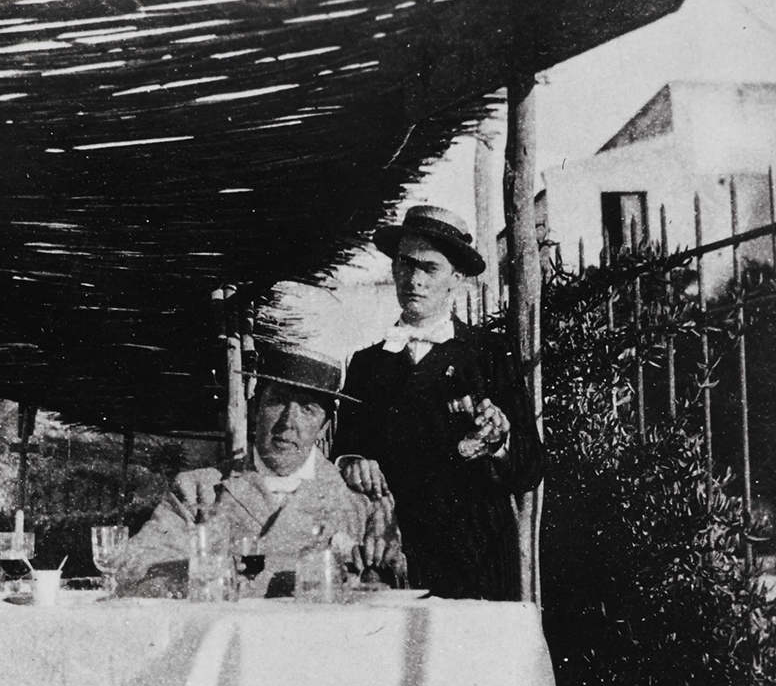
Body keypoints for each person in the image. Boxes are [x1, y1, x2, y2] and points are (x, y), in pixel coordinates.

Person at [333, 204, 544, 601]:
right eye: (405, 264)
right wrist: (353, 464)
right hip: (388, 554)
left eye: (429, 268)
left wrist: (499, 442)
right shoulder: (366, 364)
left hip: (474, 556)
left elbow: (530, 467)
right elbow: (344, 453)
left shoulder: (489, 354)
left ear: (457, 279)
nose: (413, 280)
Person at [119, 344, 403, 598]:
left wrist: (379, 572)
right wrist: (220, 571)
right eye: (277, 401)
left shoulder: (359, 500)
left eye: (307, 409)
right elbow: (137, 563)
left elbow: (396, 581)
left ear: (324, 426)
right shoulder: (198, 489)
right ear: (255, 408)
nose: (288, 422)